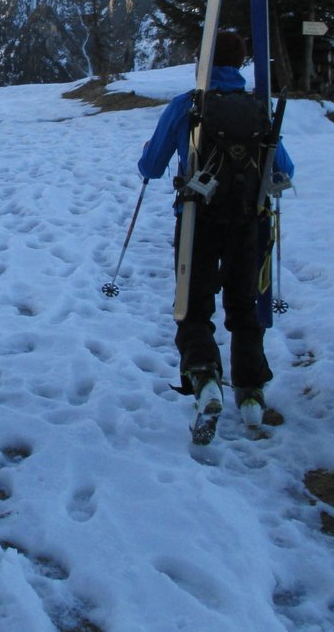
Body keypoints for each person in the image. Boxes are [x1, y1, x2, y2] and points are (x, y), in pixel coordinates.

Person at [137, 30, 293, 425]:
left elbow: (151, 166)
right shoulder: (258, 108)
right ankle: (251, 391)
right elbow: (284, 169)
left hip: (196, 222)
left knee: (193, 307)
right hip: (248, 222)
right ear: (240, 63)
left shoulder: (187, 106)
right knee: (244, 309)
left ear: (202, 63)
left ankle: (205, 377)